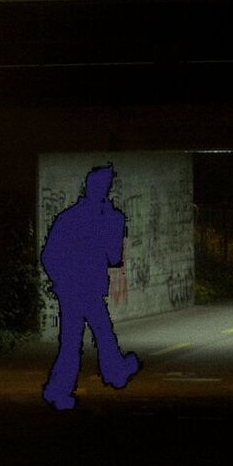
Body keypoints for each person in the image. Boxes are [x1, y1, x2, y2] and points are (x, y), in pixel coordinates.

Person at [39, 163, 141, 410]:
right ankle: (112, 373)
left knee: (76, 340)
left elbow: (48, 255)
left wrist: (61, 279)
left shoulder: (68, 217)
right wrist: (115, 223)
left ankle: (64, 388)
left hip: (70, 289)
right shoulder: (106, 219)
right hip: (88, 287)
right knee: (99, 333)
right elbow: (114, 257)